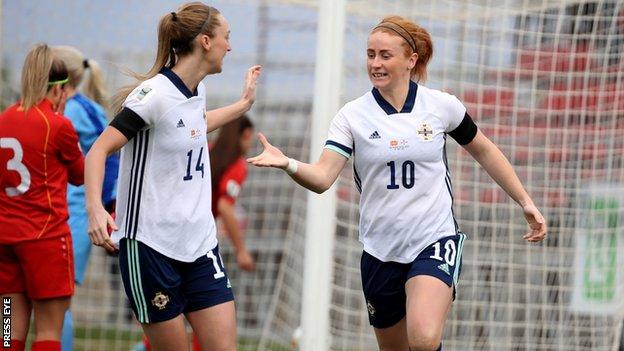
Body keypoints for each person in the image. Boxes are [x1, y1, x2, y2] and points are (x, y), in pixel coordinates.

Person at [247, 15, 547, 351]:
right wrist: (288, 163)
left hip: (433, 240)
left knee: (423, 339)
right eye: (370, 54)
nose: (375, 63)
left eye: (385, 56)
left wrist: (525, 201)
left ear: (411, 60)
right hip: (380, 251)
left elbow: (486, 151)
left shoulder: (440, 106)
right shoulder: (352, 116)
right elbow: (322, 178)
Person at [84, 2, 261, 351]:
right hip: (149, 246)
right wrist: (95, 208)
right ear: (206, 42)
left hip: (199, 245)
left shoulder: (196, 90)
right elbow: (98, 151)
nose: (231, 45)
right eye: (227, 37)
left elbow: (192, 124)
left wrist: (242, 106)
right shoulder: (153, 95)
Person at [0, 44, 84, 351]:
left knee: (7, 329)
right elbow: (79, 174)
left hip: (6, 241)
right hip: (45, 239)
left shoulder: (3, 120)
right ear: (59, 90)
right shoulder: (58, 125)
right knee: (49, 330)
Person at [52, 45, 119, 351]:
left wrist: (107, 207)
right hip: (50, 217)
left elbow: (111, 162)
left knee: (52, 302)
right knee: (28, 302)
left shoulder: (70, 111)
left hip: (69, 218)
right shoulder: (86, 109)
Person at [210, 115, 255, 272]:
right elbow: (224, 206)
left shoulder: (204, 150)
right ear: (247, 134)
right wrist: (241, 250)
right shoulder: (237, 165)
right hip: (192, 238)